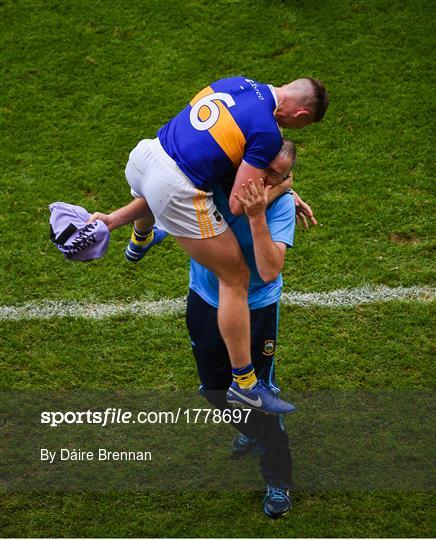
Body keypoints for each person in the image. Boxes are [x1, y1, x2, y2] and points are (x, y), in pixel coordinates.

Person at [88, 76, 328, 415]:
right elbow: (236, 204)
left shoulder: (237, 82)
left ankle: (141, 236)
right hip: (173, 188)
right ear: (302, 116)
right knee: (235, 278)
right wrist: (282, 186)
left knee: (158, 189)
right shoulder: (267, 131)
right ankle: (246, 385)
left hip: (145, 157)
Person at [185, 140, 315, 518]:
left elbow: (270, 268)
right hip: (204, 298)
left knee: (258, 398)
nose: (274, 179)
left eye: (283, 175)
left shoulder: (280, 207)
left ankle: (278, 479)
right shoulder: (218, 180)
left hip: (255, 308)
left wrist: (260, 213)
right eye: (269, 171)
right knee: (213, 389)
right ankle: (252, 429)